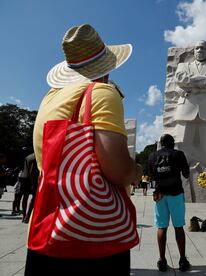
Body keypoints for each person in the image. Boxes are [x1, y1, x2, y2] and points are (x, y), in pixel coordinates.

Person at [25, 24, 141, 276]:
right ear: (107, 68)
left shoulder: (49, 98)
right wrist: (137, 171)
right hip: (92, 234)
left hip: (47, 227)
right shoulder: (102, 93)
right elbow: (119, 171)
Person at [173, 40, 206, 167]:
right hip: (186, 108)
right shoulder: (183, 66)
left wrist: (193, 83)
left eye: (202, 48)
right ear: (193, 51)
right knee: (182, 143)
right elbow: (179, 79)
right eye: (197, 48)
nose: (199, 51)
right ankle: (182, 173)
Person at [148, 134, 191, 272]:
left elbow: (151, 176)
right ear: (172, 143)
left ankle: (162, 260)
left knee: (162, 227)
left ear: (161, 143)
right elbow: (186, 174)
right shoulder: (178, 154)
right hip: (176, 193)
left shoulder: (152, 156)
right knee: (178, 227)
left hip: (160, 194)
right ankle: (182, 260)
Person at [21, 153, 39, 223]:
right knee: (34, 197)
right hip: (31, 180)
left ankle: (24, 215)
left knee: (25, 197)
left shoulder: (28, 156)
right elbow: (32, 172)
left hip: (24, 177)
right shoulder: (35, 158)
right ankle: (27, 217)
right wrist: (33, 183)